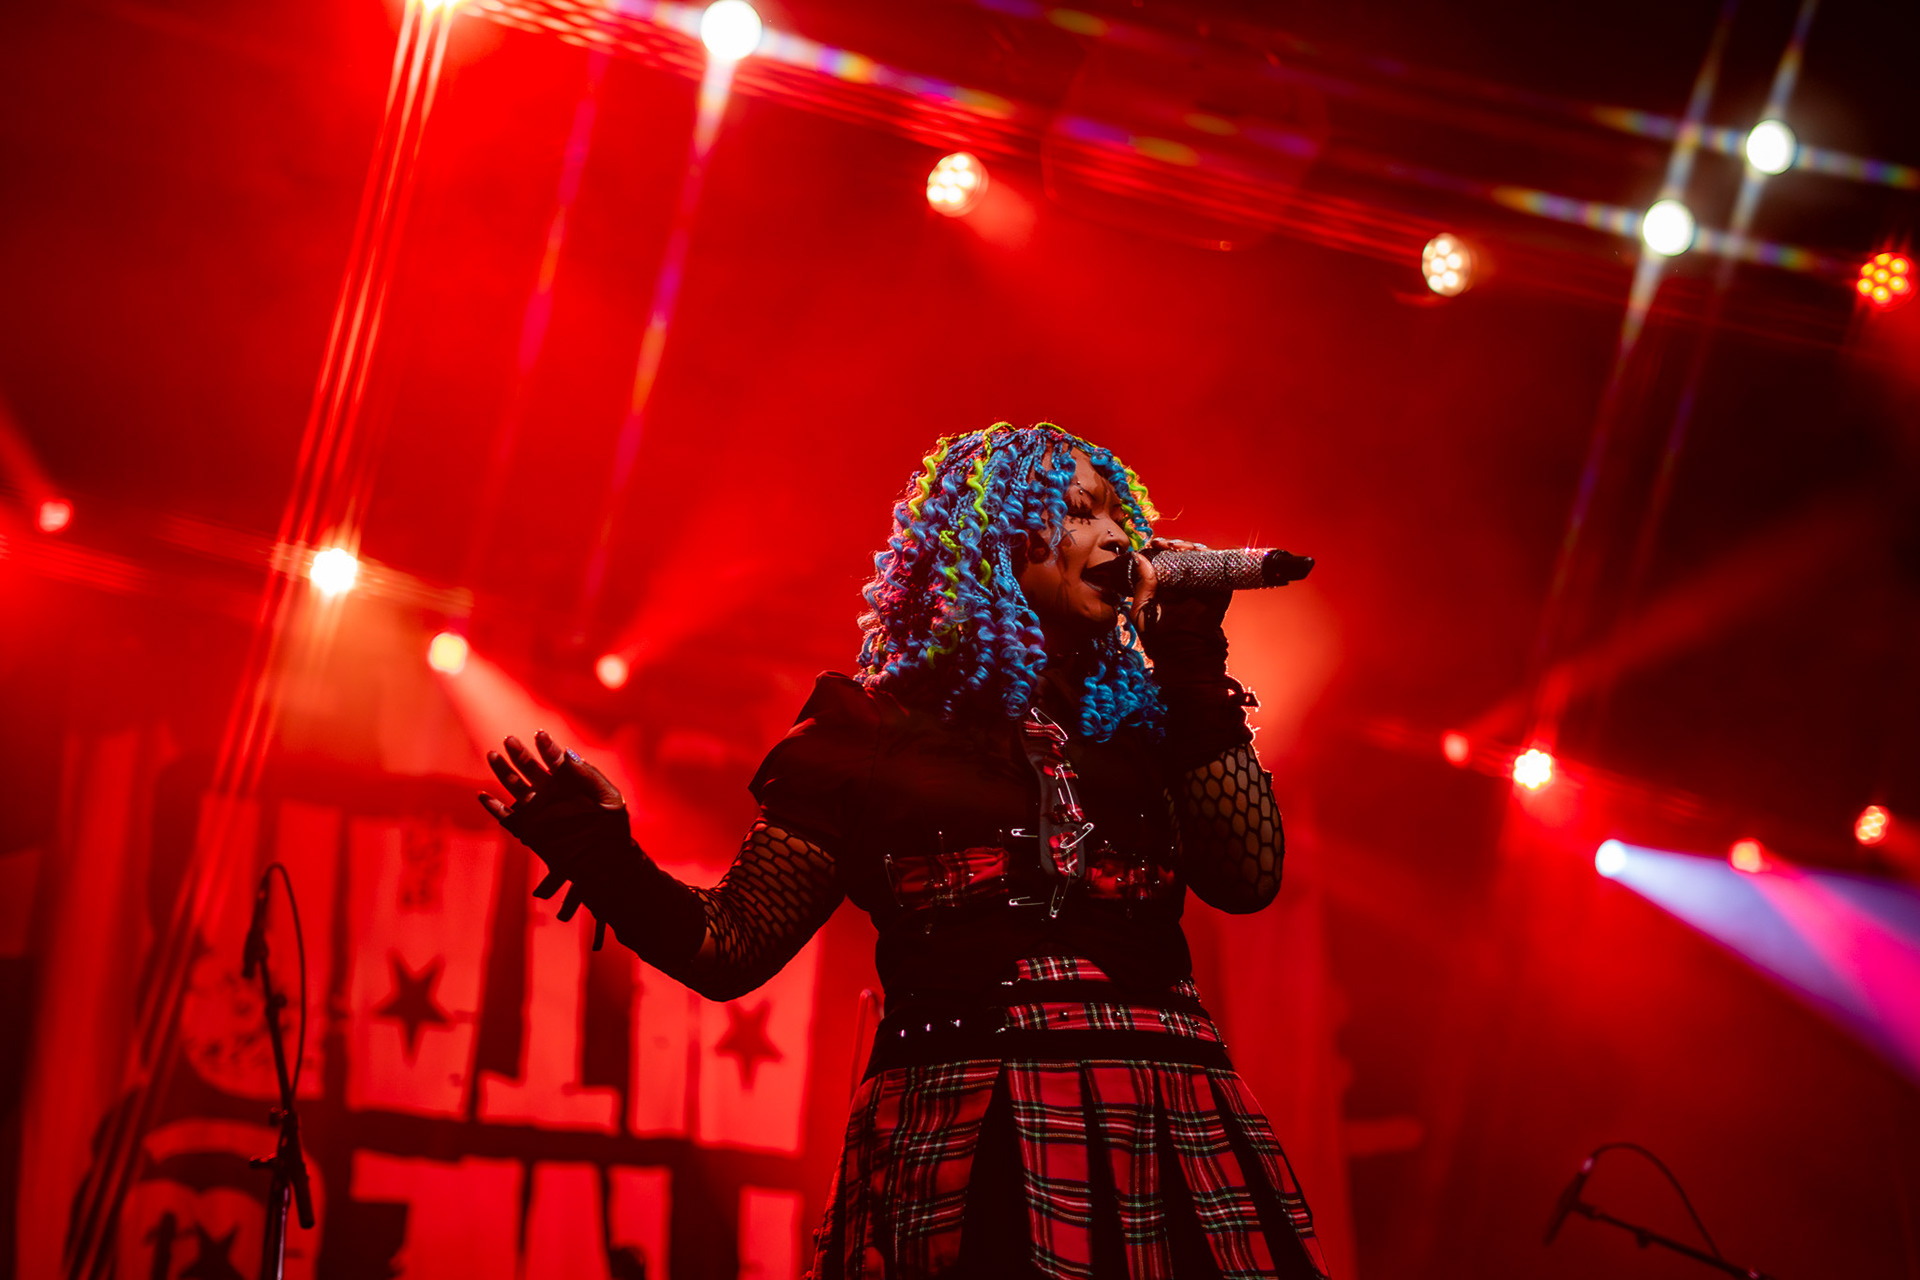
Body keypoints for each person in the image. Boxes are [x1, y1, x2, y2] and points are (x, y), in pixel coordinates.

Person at [479, 421, 1330, 1280]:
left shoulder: (1152, 725)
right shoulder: (867, 737)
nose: (1115, 538)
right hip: (979, 1118)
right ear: (994, 541)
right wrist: (604, 857)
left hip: (1172, 1114)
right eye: (1078, 512)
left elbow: (1249, 878)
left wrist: (1191, 661)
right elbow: (731, 946)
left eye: (1119, 517)